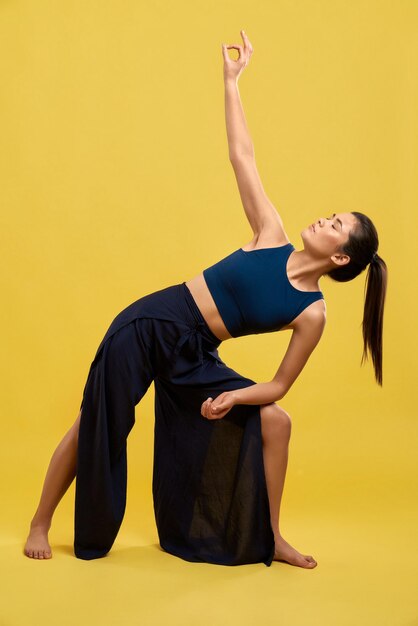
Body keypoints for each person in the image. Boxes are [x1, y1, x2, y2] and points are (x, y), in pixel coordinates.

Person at [23, 30, 387, 569]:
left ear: (340, 259)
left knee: (277, 421)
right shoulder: (271, 233)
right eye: (332, 213)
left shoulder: (312, 313)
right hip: (153, 323)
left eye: (336, 225)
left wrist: (233, 399)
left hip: (194, 354)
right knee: (96, 423)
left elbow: (279, 386)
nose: (324, 219)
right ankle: (40, 520)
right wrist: (231, 81)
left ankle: (271, 536)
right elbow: (243, 155)